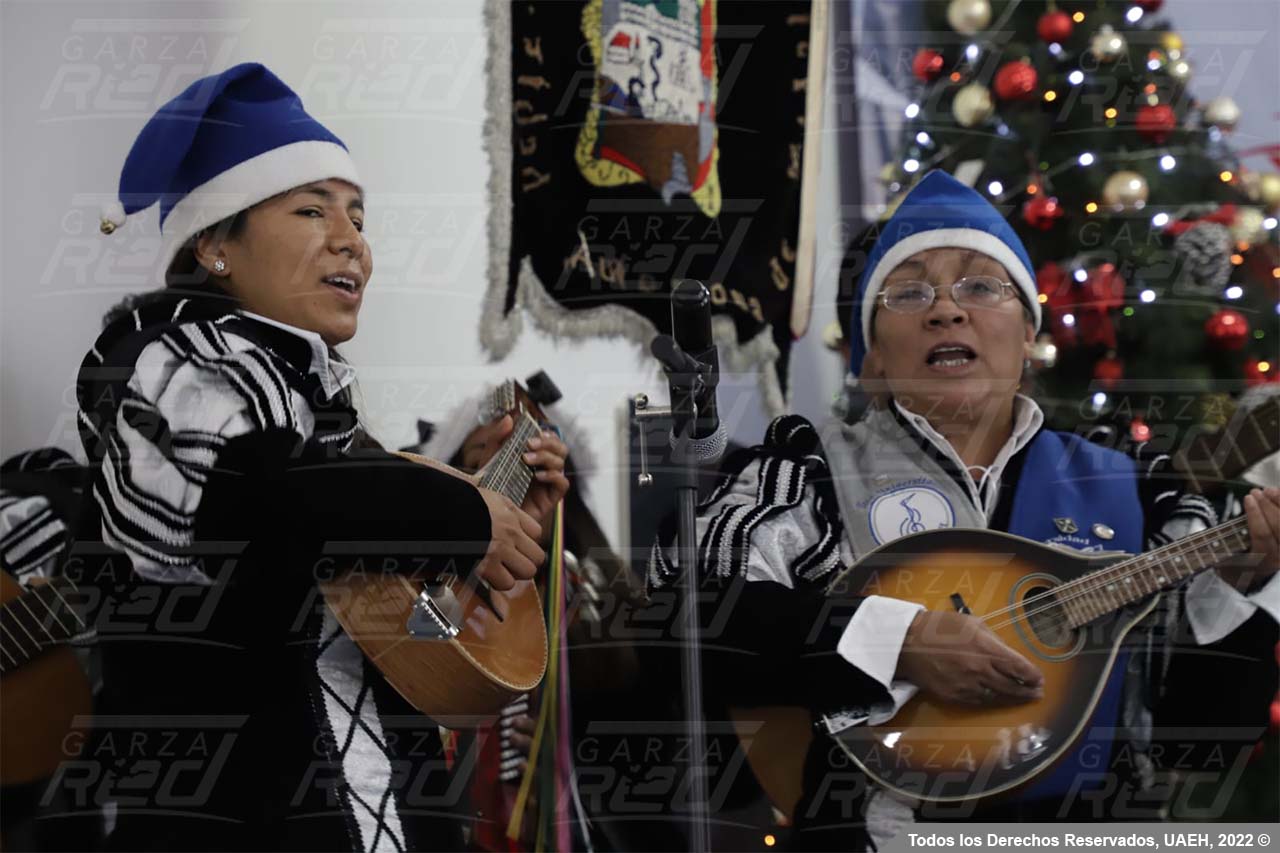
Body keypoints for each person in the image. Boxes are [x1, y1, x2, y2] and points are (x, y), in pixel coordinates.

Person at [680, 170, 1280, 849]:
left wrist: (1238, 586)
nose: (946, 310)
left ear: (1029, 333)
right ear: (871, 353)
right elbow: (695, 613)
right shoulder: (806, 472)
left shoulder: (1138, 490)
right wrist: (893, 639)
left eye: (981, 286)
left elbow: (1200, 746)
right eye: (908, 292)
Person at [69, 63, 569, 852]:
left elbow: (392, 602)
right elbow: (266, 499)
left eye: (359, 218)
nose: (352, 243)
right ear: (213, 243)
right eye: (311, 210)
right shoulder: (166, 365)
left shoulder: (319, 401)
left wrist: (498, 531)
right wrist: (465, 511)